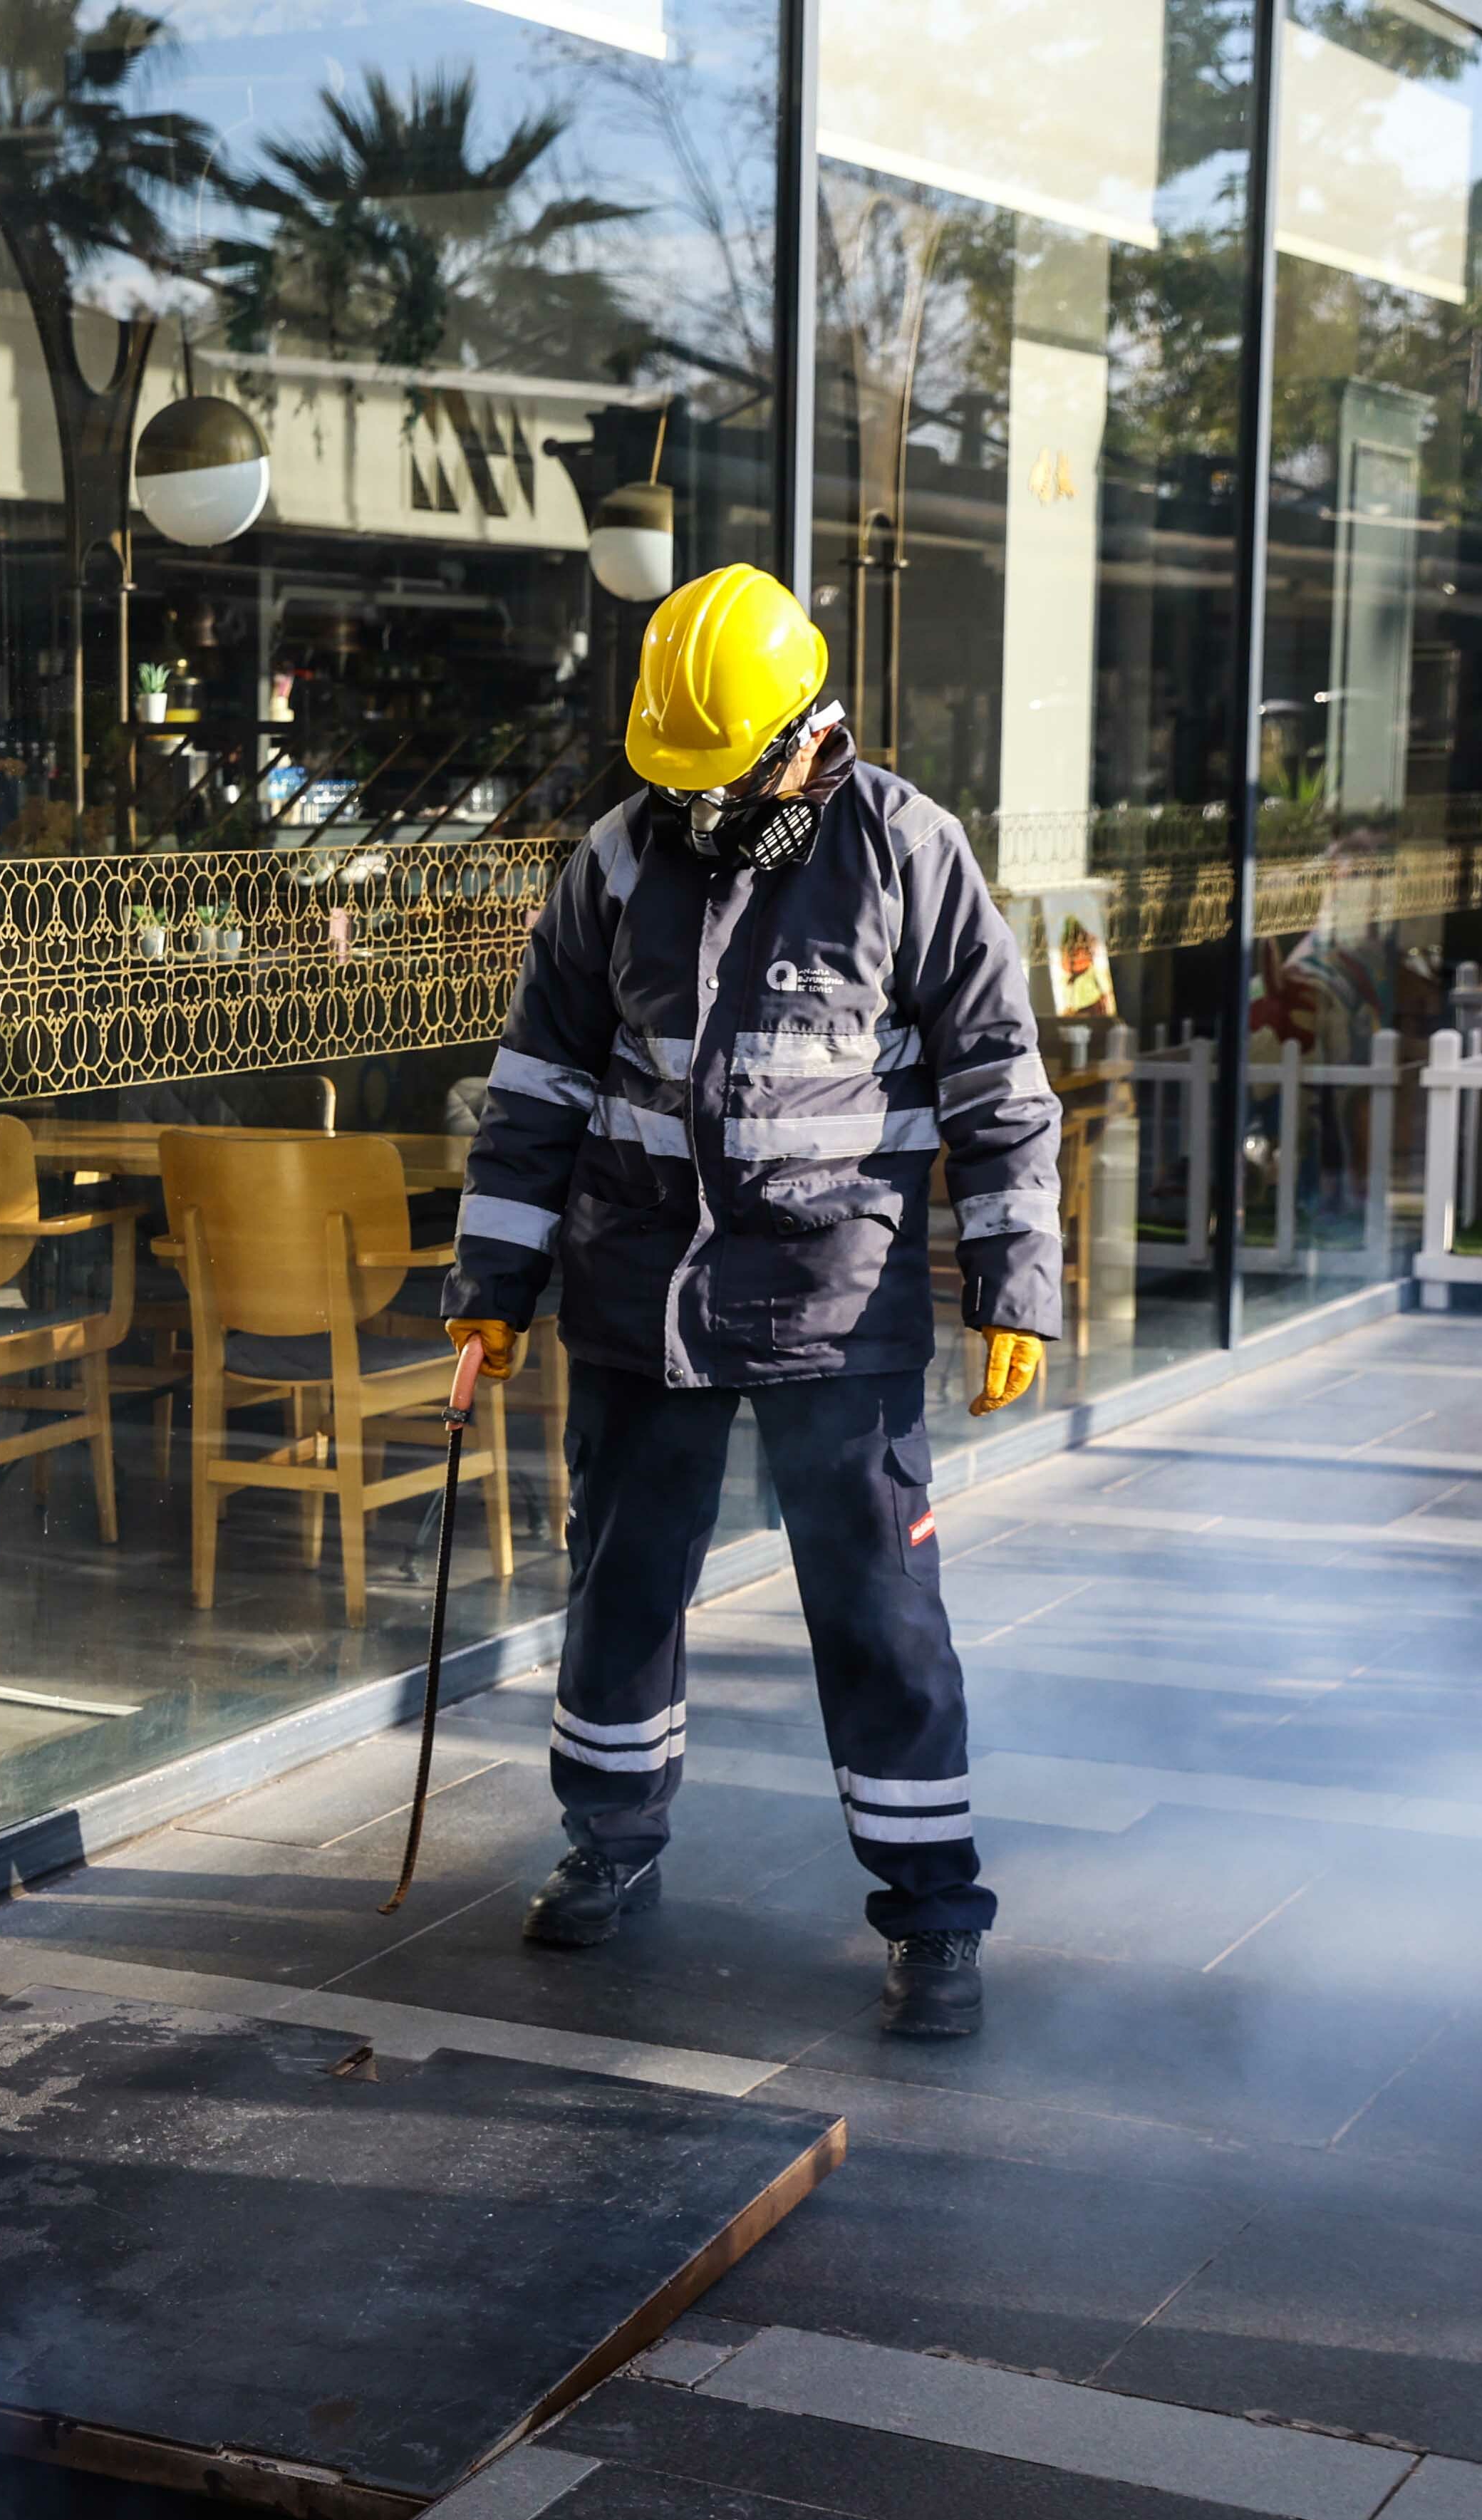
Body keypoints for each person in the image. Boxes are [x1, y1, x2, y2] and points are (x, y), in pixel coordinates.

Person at [440, 565, 1059, 2038]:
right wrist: (494, 1284)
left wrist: (1013, 1287)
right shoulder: (611, 862)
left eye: (727, 777)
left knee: (879, 1607)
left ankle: (932, 1905)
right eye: (680, 779)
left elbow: (999, 1085)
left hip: (835, 1302)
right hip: (638, 1297)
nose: (700, 806)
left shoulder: (909, 848)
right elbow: (539, 1088)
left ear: (805, 731)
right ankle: (607, 1839)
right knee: (621, 1585)